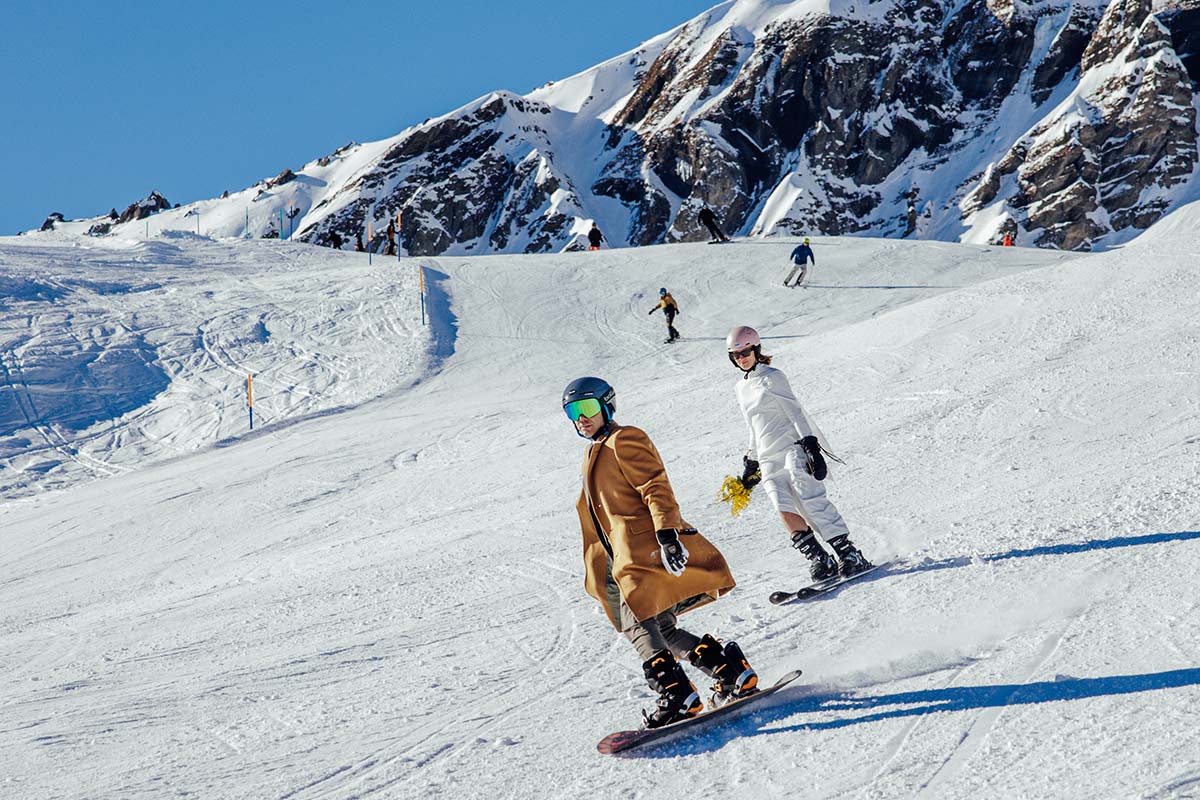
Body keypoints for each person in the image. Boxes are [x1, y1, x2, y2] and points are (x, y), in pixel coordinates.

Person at [563, 376, 759, 729]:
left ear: (608, 405)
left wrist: (668, 534)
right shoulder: (597, 449)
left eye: (588, 408)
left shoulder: (624, 439)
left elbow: (655, 485)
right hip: (625, 556)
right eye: (573, 411)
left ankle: (677, 695)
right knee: (663, 628)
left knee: (637, 625)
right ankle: (728, 671)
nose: (581, 418)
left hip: (643, 554)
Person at [724, 325, 872, 583]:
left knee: (809, 497)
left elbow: (796, 413)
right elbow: (754, 425)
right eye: (737, 355)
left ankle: (849, 554)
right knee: (782, 506)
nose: (742, 358)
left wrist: (811, 445)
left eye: (746, 351)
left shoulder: (773, 376)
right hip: (768, 456)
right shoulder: (741, 387)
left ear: (756, 349)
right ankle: (819, 559)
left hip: (793, 447)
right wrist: (751, 461)